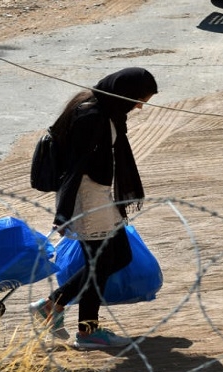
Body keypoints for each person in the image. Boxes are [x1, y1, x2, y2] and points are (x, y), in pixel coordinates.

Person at [29, 67, 158, 349]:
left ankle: (54, 307)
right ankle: (85, 330)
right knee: (99, 264)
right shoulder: (92, 116)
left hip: (101, 196)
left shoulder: (107, 111)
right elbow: (74, 168)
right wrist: (63, 214)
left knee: (118, 256)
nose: (139, 107)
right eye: (139, 100)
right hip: (89, 199)